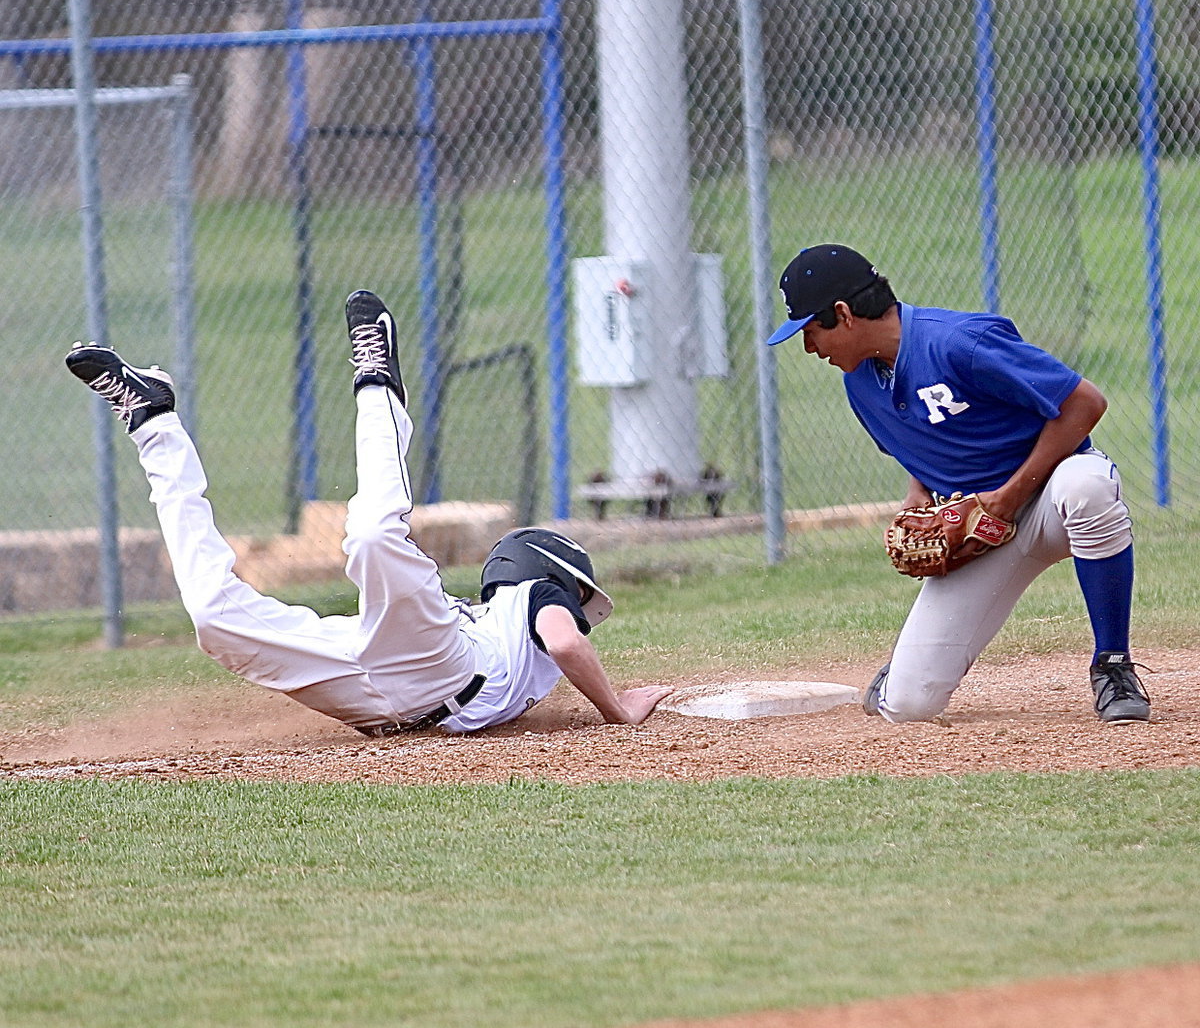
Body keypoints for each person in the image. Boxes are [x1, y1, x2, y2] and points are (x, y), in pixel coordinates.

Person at [65, 290, 674, 736]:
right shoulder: (532, 596)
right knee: (376, 538)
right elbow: (567, 645)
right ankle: (377, 378)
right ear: (552, 571)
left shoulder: (499, 620)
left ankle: (153, 422)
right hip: (438, 670)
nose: (581, 610)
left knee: (214, 620)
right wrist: (617, 711)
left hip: (373, 686)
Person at [767, 243, 1150, 725]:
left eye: (810, 329)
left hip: (1052, 496)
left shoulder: (959, 342)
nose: (808, 347)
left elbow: (1085, 403)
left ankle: (1112, 665)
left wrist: (1009, 498)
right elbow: (922, 439)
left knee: (1088, 487)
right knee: (908, 705)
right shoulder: (859, 383)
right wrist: (919, 491)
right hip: (985, 533)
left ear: (843, 314)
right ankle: (905, 670)